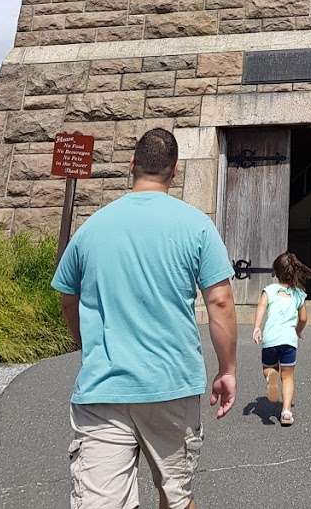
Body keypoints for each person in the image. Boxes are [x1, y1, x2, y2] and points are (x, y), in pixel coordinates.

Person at [52, 127, 237, 509]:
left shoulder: (91, 229)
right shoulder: (197, 226)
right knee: (176, 496)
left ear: (132, 165)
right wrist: (227, 368)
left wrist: (84, 343)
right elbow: (219, 301)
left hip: (104, 388)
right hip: (172, 384)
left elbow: (68, 299)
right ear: (174, 172)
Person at [251, 252, 311, 427]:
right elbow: (303, 318)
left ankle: (271, 375)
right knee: (288, 377)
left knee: (268, 368)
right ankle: (286, 412)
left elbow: (261, 307)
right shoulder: (299, 294)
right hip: (289, 340)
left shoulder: (270, 290)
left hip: (270, 339)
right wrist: (298, 331)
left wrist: (257, 327)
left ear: (276, 272)